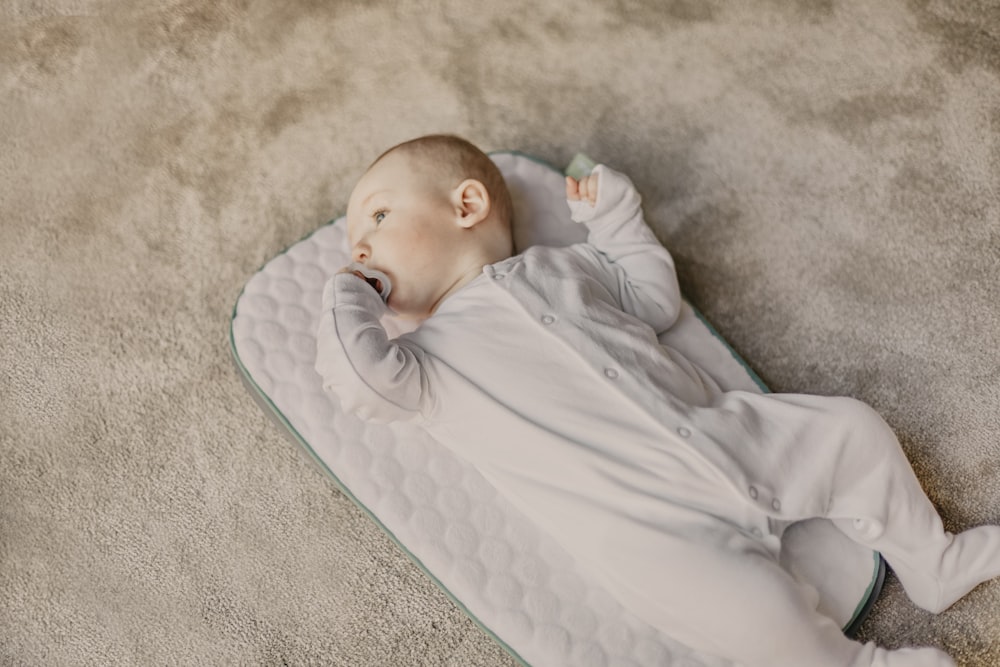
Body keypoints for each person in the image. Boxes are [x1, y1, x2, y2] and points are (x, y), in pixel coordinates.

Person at [315, 134, 1000, 667]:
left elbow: (652, 299)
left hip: (728, 434)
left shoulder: (564, 266)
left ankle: (930, 559)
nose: (363, 245)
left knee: (851, 429)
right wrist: (348, 292)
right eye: (355, 245)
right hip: (652, 532)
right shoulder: (424, 363)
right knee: (756, 612)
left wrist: (616, 218)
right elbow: (357, 378)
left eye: (376, 216)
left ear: (466, 205)